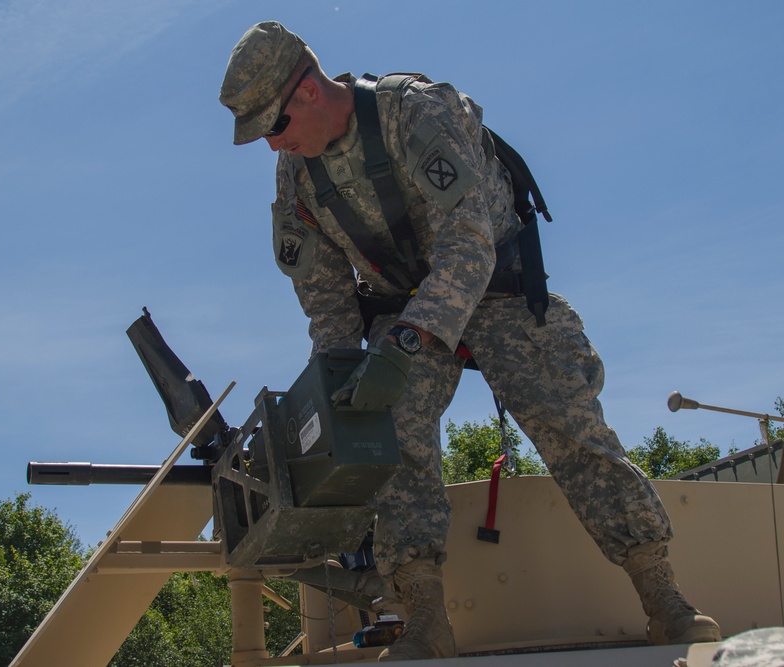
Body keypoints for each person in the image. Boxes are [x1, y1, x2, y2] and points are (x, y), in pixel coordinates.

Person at [219, 21, 721, 661]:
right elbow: (327, 302)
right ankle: (425, 618)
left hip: (495, 287)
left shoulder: (415, 113)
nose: (272, 146)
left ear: (309, 91)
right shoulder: (296, 179)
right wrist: (343, 386)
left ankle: (664, 599)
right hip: (402, 310)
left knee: (567, 416)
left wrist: (406, 341)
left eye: (273, 125)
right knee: (382, 424)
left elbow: (469, 242)